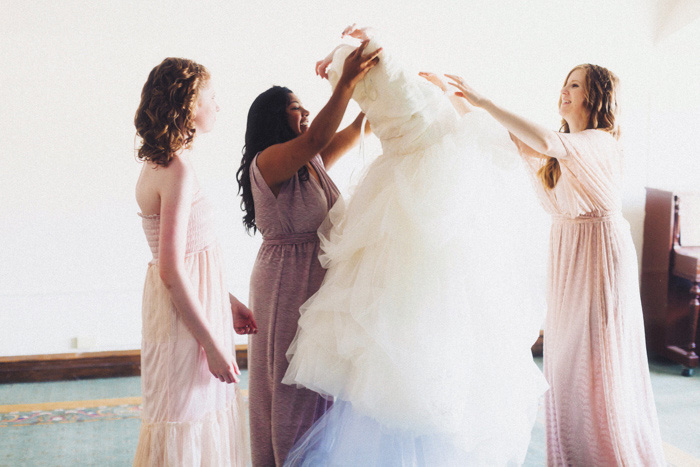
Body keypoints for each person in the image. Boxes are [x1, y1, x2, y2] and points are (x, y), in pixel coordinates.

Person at [282, 26, 548, 466]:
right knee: (437, 318)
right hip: (433, 188)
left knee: (400, 320)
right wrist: (362, 45)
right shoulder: (386, 63)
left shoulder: (356, 75)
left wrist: (337, 58)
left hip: (399, 190)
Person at [447, 64, 666, 464]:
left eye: (575, 85)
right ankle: (575, 453)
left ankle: (607, 453)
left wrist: (484, 99)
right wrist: (457, 101)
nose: (564, 91)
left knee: (595, 359)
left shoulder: (600, 141)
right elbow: (504, 139)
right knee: (564, 361)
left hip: (600, 253)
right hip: (568, 250)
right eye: (563, 84)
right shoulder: (562, 148)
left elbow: (547, 139)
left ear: (595, 96)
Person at [236, 41, 382, 466]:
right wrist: (347, 81)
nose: (303, 113)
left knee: (318, 384)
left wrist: (381, 88)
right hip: (284, 283)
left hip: (316, 278)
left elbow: (355, 130)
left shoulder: (310, 163)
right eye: (295, 107)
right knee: (288, 387)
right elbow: (319, 133)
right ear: (273, 117)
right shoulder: (268, 163)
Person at [133, 57, 255, 466]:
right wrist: (212, 345)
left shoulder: (162, 163)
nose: (218, 105)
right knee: (185, 417)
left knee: (192, 414)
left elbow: (189, 256)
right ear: (188, 106)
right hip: (186, 317)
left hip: (197, 303)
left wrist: (227, 300)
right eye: (212, 97)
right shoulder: (177, 170)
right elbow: (172, 268)